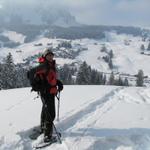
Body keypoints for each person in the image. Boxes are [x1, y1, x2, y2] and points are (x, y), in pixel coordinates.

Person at [35, 48, 63, 142]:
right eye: (48, 55)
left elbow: (50, 78)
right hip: (46, 93)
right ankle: (47, 136)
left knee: (45, 111)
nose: (50, 57)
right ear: (45, 56)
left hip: (50, 92)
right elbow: (36, 78)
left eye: (52, 55)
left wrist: (58, 83)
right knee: (51, 114)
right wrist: (43, 88)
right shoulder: (44, 66)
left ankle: (43, 129)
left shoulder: (50, 65)